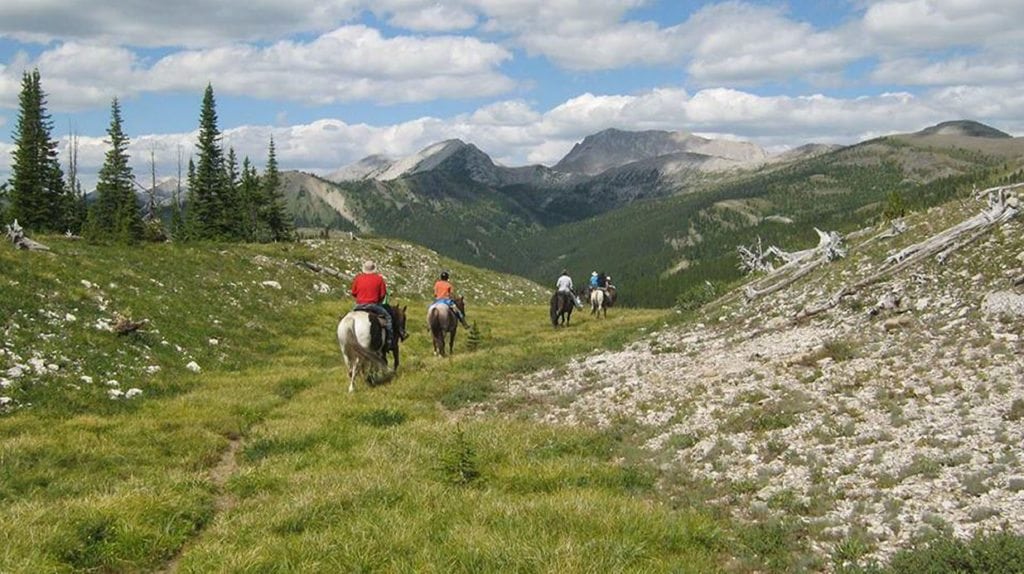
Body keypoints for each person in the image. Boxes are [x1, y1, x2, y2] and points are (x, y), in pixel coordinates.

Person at [350, 260, 394, 348]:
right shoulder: (379, 279)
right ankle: (389, 341)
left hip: (359, 305)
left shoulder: (358, 278)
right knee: (388, 318)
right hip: (374, 305)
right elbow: (382, 295)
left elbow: (353, 293)